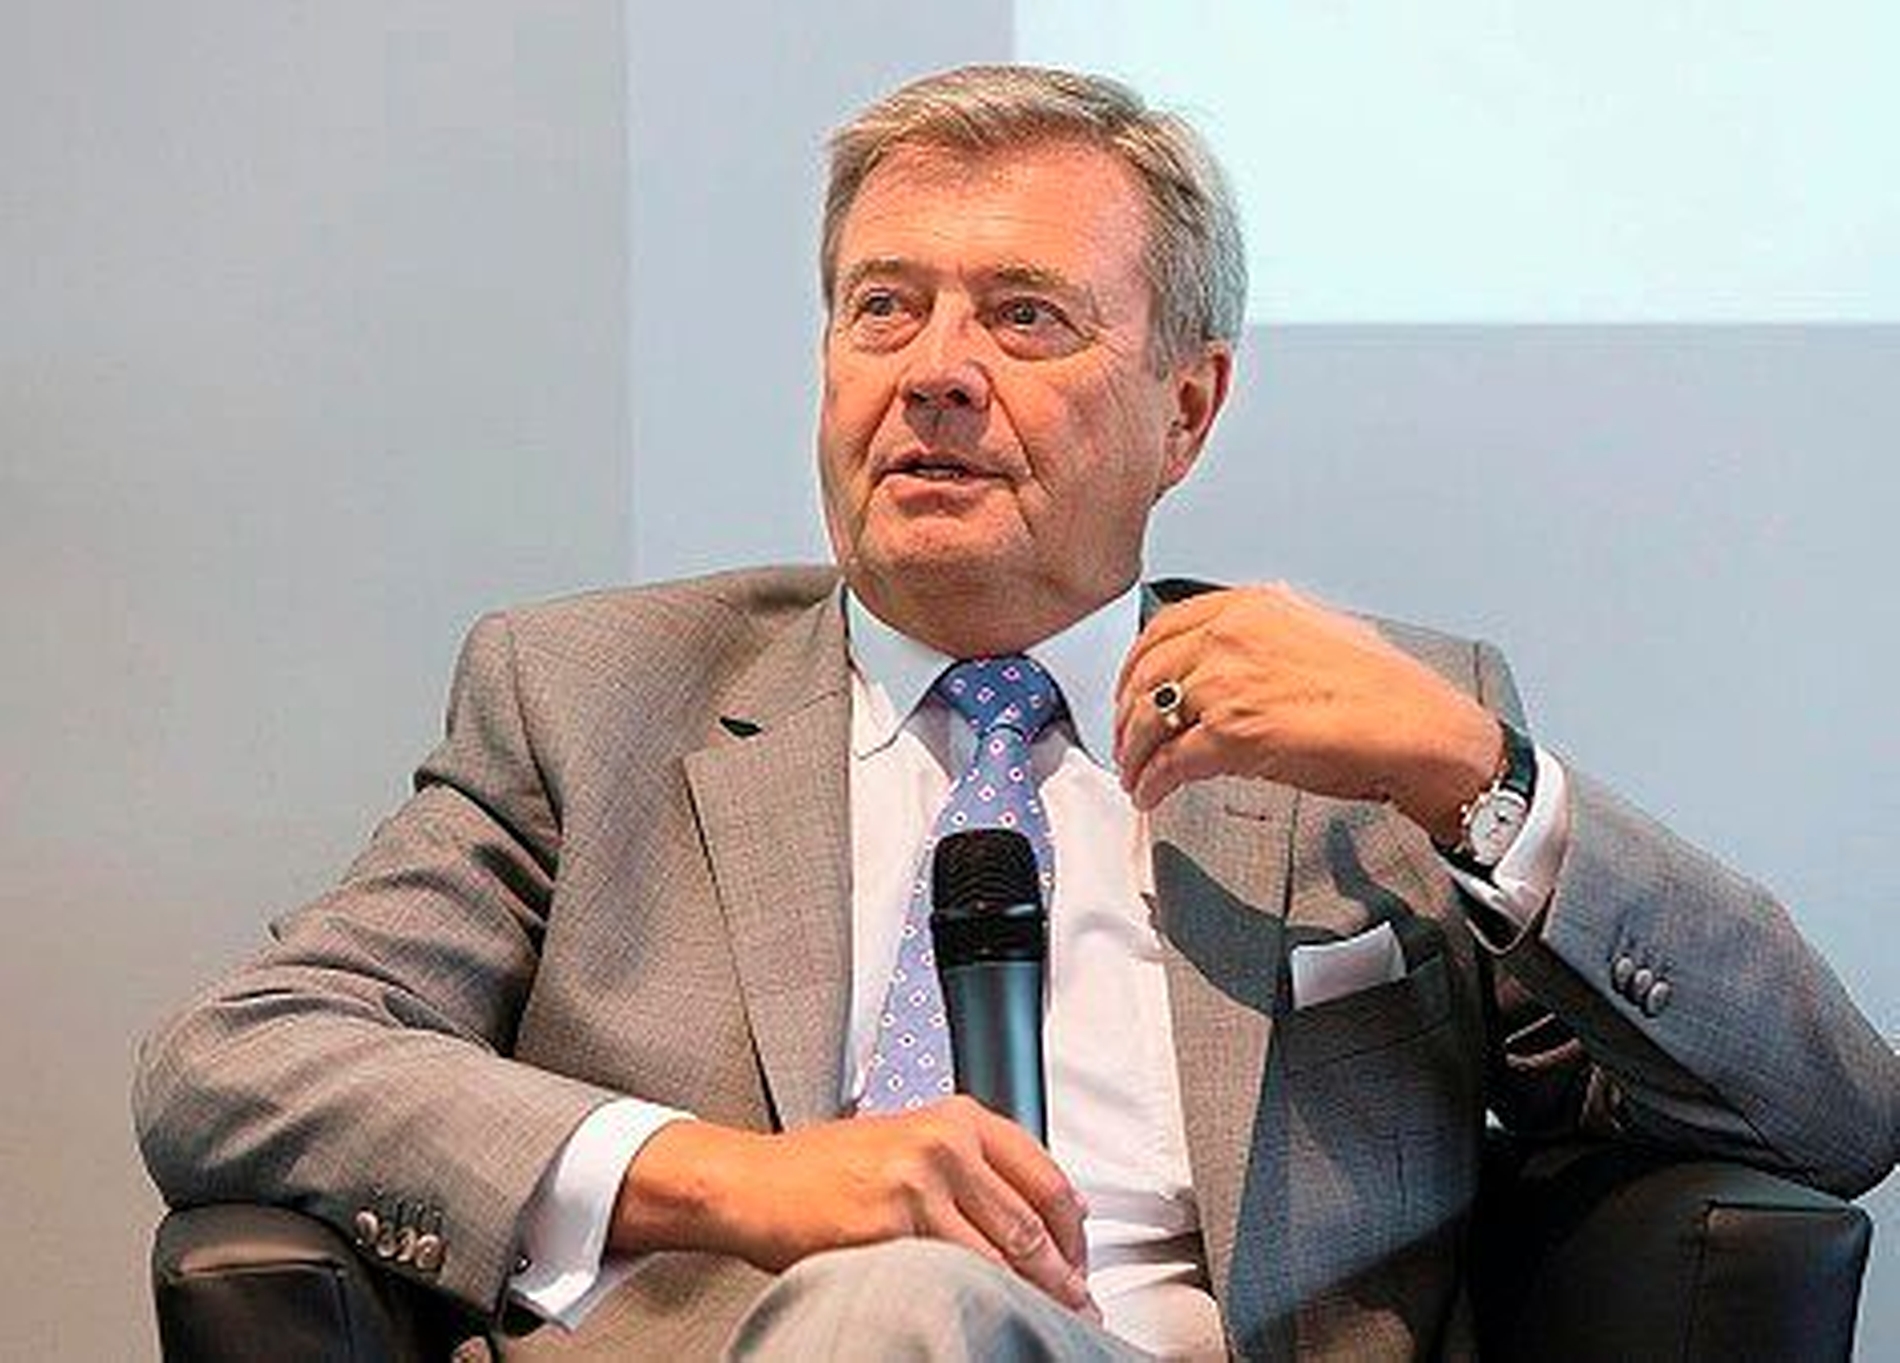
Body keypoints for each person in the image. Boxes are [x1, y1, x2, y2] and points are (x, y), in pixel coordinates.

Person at [135, 65, 1896, 1361]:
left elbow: (1830, 1117)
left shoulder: (1372, 741)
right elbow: (239, 1059)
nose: (934, 373)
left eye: (1026, 317)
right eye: (882, 308)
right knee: (896, 1305)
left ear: (1186, 410)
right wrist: (730, 1182)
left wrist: (1474, 776)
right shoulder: (590, 699)